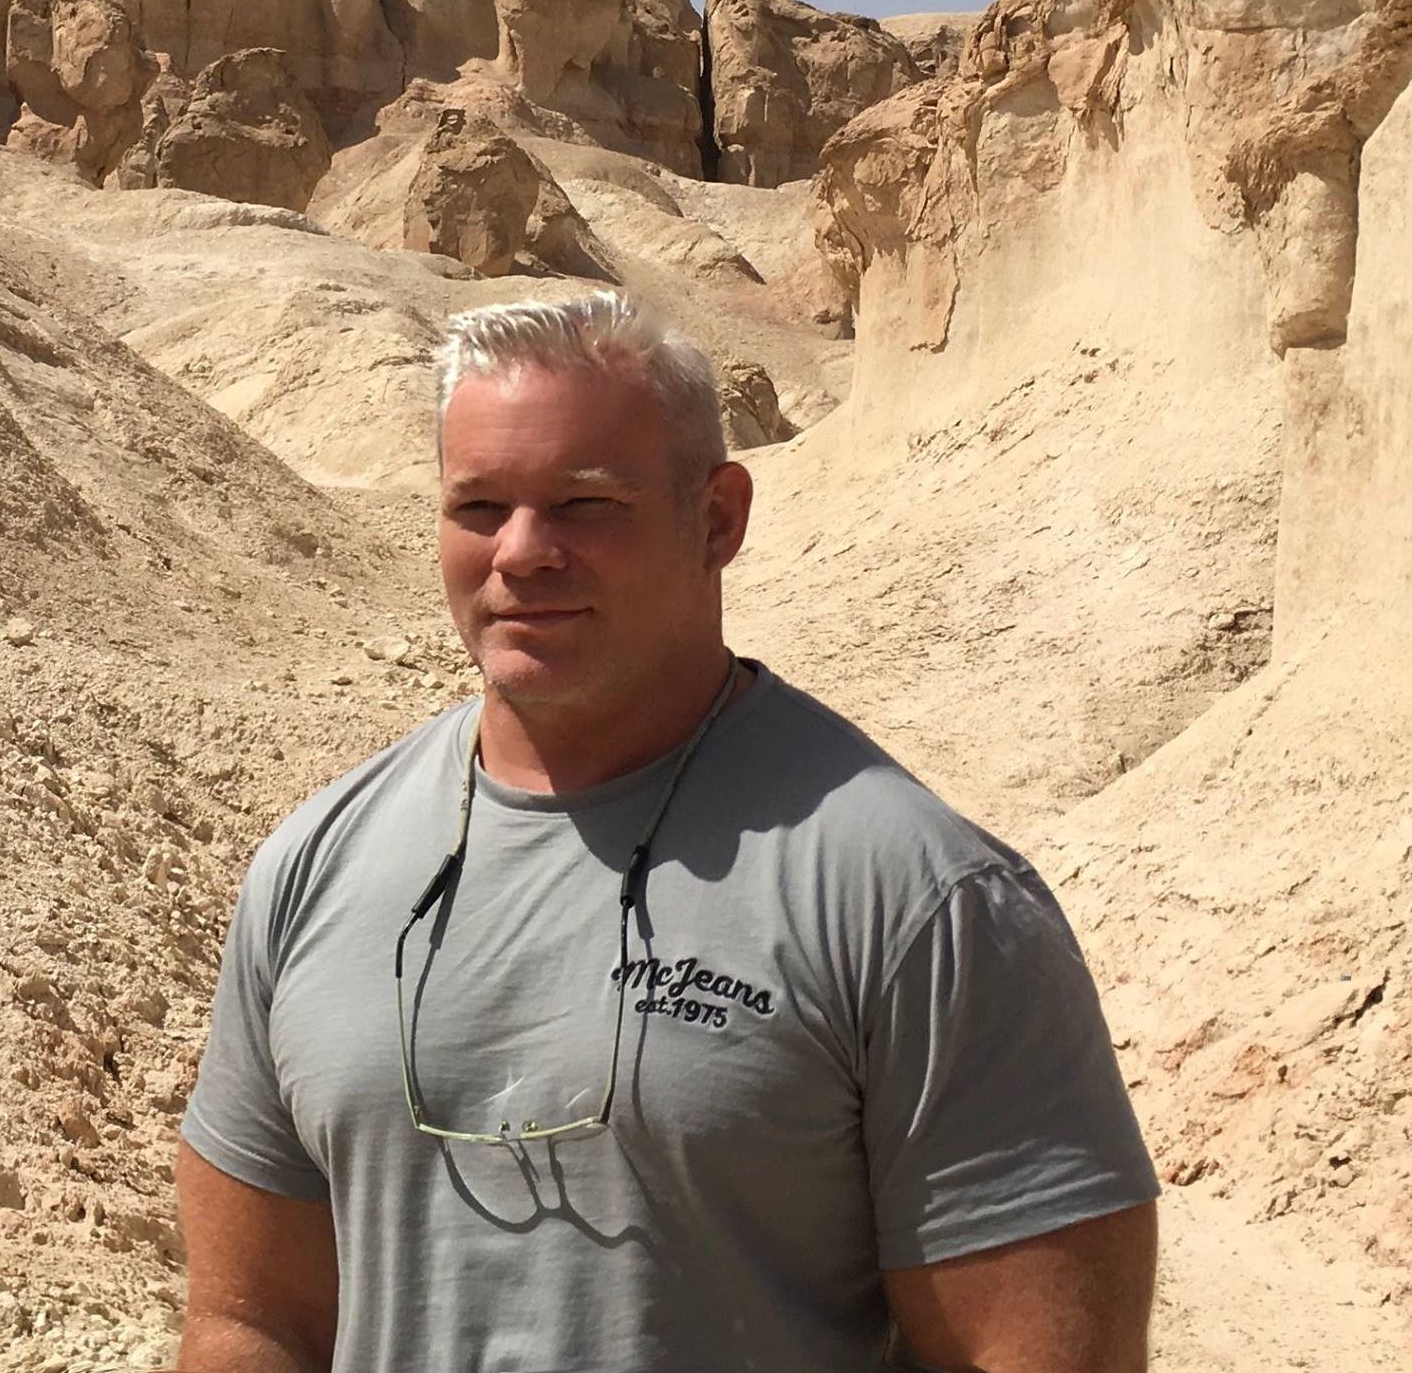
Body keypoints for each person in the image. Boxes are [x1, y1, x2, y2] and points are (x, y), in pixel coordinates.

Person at [176, 290, 1159, 1373]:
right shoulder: (314, 865)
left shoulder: (918, 897)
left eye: (584, 504)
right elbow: (252, 1321)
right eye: (479, 505)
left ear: (718, 519)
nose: (521, 551)